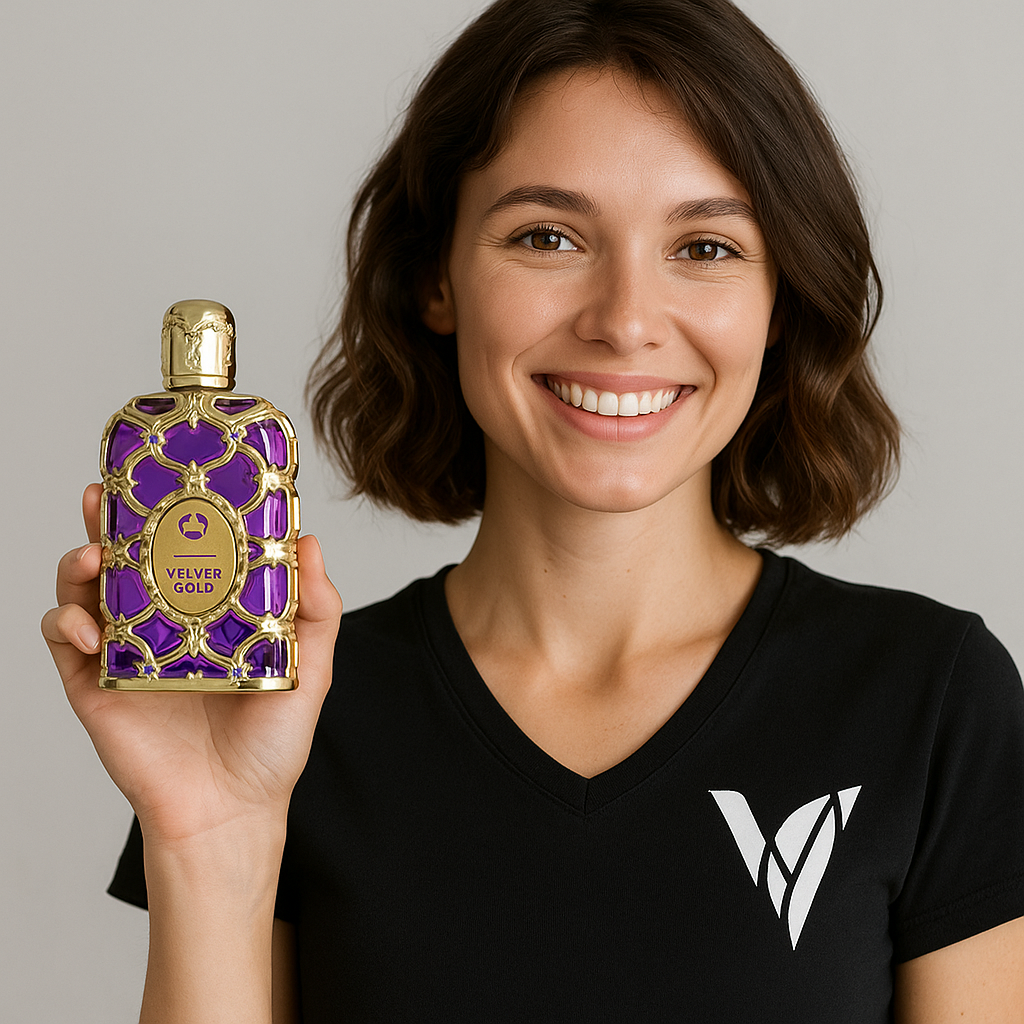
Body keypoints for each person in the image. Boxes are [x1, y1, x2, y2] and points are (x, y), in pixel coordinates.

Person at [42, 0, 1024, 1020]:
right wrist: (206, 836)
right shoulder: (285, 714)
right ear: (436, 277)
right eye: (548, 236)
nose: (626, 322)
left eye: (705, 247)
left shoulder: (932, 702)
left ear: (779, 296)